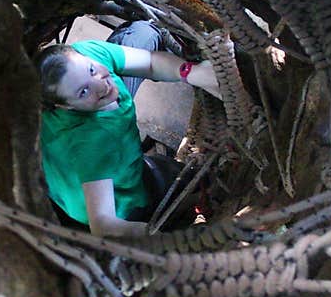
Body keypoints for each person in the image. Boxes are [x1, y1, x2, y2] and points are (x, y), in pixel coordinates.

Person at [34, 20, 221, 238]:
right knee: (194, 181)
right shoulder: (91, 144)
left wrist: (192, 72)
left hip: (79, 174)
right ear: (64, 106)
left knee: (142, 33)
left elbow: (150, 62)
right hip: (113, 202)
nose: (101, 85)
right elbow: (103, 224)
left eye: (92, 70)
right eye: (83, 92)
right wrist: (157, 239)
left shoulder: (85, 56)